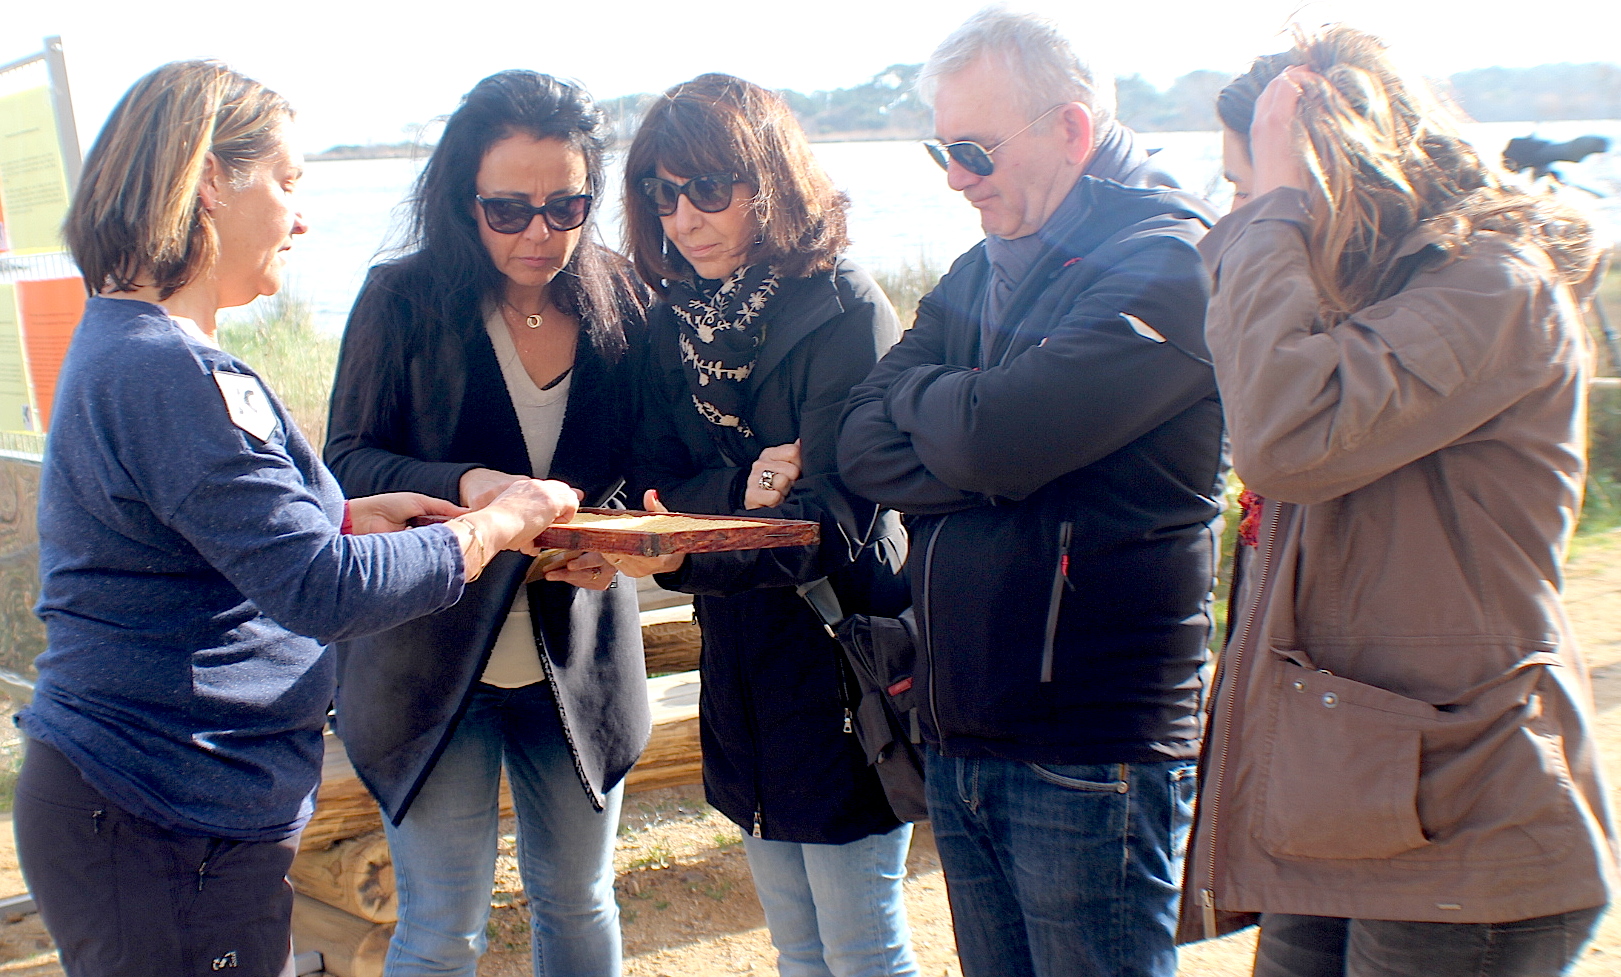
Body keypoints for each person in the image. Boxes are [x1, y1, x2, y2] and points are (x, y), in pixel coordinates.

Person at [14, 61, 579, 977]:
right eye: (286, 182)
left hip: (174, 804)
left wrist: (347, 513)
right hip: (158, 809)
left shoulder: (138, 343)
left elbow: (204, 534)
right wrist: (497, 524)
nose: (301, 216)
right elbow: (319, 588)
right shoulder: (168, 370)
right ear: (206, 179)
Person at [1180, 25, 1616, 976]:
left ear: (1336, 174)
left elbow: (1285, 434)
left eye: (1249, 182)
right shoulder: (1358, 302)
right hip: (1350, 807)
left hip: (1461, 824)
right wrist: (1275, 216)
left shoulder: (1492, 288)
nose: (1240, 209)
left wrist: (1280, 206)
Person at [836, 10, 1224, 977]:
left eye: (972, 149)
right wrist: (976, 435)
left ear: (1071, 130)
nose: (956, 176)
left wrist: (964, 428)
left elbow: (989, 438)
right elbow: (858, 443)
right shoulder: (981, 266)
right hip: (962, 728)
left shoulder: (1171, 260)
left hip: (1092, 742)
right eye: (942, 150)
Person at [322, 71, 651, 976]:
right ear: (461, 199)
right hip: (427, 664)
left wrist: (612, 539)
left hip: (578, 655)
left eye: (566, 205)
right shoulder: (401, 299)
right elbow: (343, 462)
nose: (540, 233)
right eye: (508, 210)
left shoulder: (621, 298)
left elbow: (641, 463)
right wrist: (469, 483)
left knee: (581, 901)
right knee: (443, 924)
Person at [606, 72, 916, 977]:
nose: (683, 217)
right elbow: (654, 481)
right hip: (737, 659)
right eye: (662, 193)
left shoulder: (845, 308)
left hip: (842, 658)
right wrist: (751, 480)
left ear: (770, 182)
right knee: (794, 942)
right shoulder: (673, 322)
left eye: (708, 188)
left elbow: (834, 522)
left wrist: (693, 534)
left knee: (862, 944)